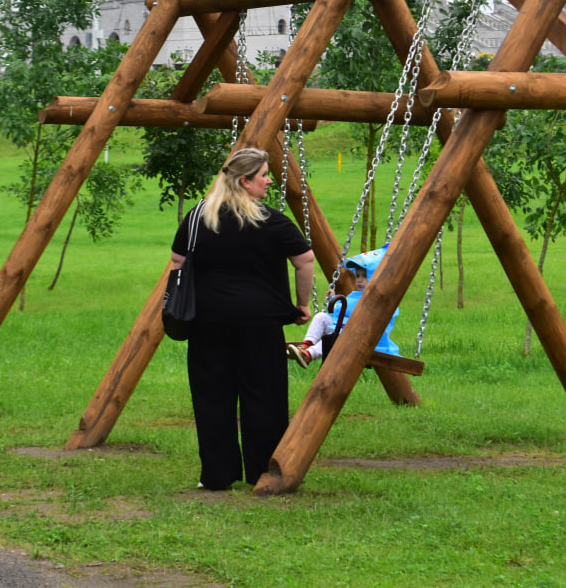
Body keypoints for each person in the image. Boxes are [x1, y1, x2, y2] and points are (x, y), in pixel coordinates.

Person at [171, 147, 314, 491]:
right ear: (245, 181)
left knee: (212, 397)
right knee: (265, 397)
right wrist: (302, 304)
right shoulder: (271, 220)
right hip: (260, 324)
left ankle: (216, 476)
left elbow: (177, 262)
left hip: (207, 322)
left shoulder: (198, 217)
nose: (269, 181)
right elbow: (305, 260)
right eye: (264, 175)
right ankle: (262, 471)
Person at [286, 244, 400, 368]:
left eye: (365, 276)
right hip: (340, 327)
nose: (360, 280)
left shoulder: (379, 300)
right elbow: (342, 309)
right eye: (358, 275)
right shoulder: (355, 295)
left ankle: (308, 355)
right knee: (320, 317)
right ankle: (307, 344)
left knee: (332, 339)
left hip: (354, 338)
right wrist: (334, 298)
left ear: (376, 277)